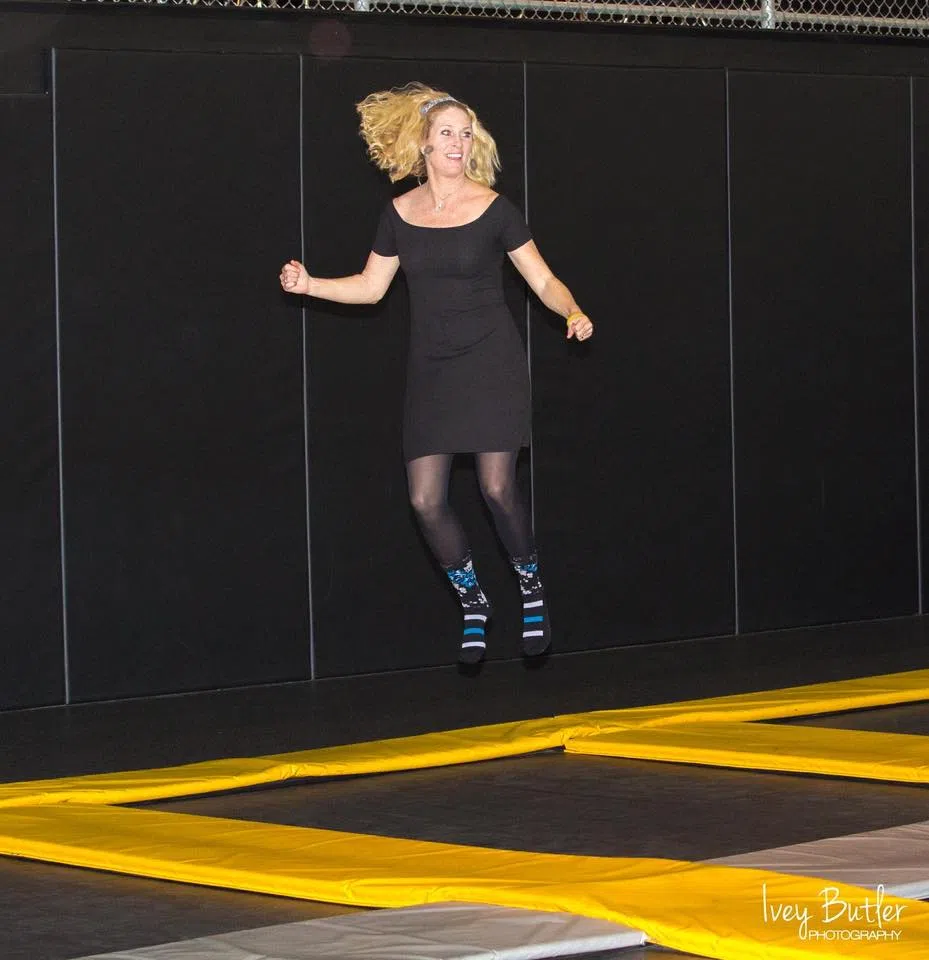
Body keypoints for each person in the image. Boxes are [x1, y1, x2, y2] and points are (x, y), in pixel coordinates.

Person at [280, 82, 593, 665]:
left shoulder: (494, 209)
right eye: (447, 133)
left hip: (491, 361)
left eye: (465, 134)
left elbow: (544, 280)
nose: (458, 142)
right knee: (425, 501)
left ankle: (530, 588)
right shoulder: (399, 213)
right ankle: (473, 599)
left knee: (496, 487)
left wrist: (571, 311)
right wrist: (310, 284)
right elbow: (370, 288)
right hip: (433, 370)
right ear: (423, 143)